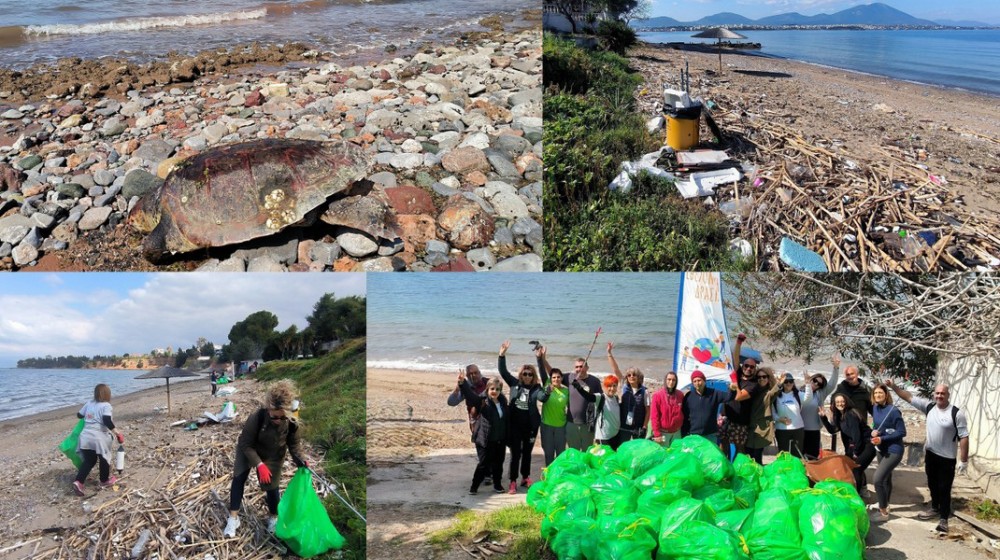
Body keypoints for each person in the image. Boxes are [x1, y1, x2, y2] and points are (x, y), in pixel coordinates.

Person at [224, 379, 309, 538]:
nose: (278, 421)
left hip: (273, 452)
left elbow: (294, 444)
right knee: (239, 478)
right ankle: (233, 518)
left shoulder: (291, 421)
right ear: (268, 408)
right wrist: (259, 464)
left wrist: (301, 459)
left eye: (281, 417)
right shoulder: (256, 417)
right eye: (274, 417)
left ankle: (273, 517)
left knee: (272, 486)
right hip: (249, 449)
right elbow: (245, 443)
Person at [886, 378, 969, 533]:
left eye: (942, 393)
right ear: (934, 394)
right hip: (931, 454)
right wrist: (893, 386)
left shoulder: (956, 413)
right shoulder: (929, 407)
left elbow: (964, 437)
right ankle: (935, 508)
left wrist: (964, 460)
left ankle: (944, 518)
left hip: (947, 458)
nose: (939, 396)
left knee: (944, 488)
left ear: (948, 395)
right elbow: (907, 396)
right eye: (937, 393)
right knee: (932, 484)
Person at [497, 341, 544, 493]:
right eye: (525, 374)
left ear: (533, 376)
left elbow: (543, 396)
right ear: (521, 375)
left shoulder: (537, 388)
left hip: (530, 426)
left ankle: (525, 477)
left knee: (527, 454)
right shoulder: (514, 383)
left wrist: (540, 360)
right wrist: (502, 355)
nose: (527, 376)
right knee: (515, 454)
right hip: (515, 426)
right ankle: (512, 481)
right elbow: (503, 372)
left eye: (530, 374)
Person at [541, 353, 602, 451]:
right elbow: (553, 374)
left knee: (586, 453)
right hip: (571, 423)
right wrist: (543, 360)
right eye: (576, 367)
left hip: (588, 424)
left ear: (587, 367)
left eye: (581, 366)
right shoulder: (570, 377)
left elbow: (600, 401)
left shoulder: (594, 381)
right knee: (574, 453)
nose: (578, 369)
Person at [73, 384, 125, 495]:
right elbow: (107, 420)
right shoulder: (106, 406)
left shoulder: (89, 403)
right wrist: (117, 433)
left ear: (95, 393)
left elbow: (79, 415)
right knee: (104, 458)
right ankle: (104, 481)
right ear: (107, 394)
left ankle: (79, 482)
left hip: (85, 437)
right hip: (99, 437)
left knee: (89, 461)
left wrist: (90, 415)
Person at [460, 375, 508, 495]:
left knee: (498, 463)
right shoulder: (482, 401)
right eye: (492, 389)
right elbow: (470, 396)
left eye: (497, 389)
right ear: (487, 389)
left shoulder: (502, 401)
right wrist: (463, 383)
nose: (495, 391)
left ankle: (497, 485)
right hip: (485, 439)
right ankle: (474, 486)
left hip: (499, 439)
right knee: (484, 464)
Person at [821, 393, 876, 497]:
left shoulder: (851, 414)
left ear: (846, 402)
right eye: (837, 402)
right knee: (854, 467)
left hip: (867, 444)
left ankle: (856, 496)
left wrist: (856, 452)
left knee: (855, 468)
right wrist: (823, 418)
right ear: (834, 404)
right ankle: (862, 490)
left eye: (842, 401)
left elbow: (857, 435)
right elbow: (833, 430)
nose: (840, 404)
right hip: (856, 445)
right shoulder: (839, 416)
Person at [447, 364, 492, 485]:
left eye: (475, 372)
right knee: (481, 448)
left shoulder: (489, 383)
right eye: (470, 374)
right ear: (467, 376)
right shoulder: (466, 387)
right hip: (476, 423)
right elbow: (451, 402)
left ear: (480, 372)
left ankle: (490, 471)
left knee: (492, 447)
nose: (473, 376)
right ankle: (486, 474)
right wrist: (458, 388)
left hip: (490, 420)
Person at [719, 333, 762, 458]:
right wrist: (738, 342)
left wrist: (734, 381)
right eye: (746, 365)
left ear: (755, 369)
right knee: (723, 447)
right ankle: (724, 471)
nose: (748, 368)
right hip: (726, 416)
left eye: (752, 367)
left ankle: (739, 472)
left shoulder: (753, 385)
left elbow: (738, 396)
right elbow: (735, 357)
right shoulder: (738, 373)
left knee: (739, 449)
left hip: (740, 422)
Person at [869, 382, 906, 524]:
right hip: (881, 449)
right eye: (876, 393)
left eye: (881, 393)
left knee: (877, 479)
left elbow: (902, 432)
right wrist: (874, 431)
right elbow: (877, 425)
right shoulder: (875, 408)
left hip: (894, 450)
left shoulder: (894, 411)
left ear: (886, 395)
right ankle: (886, 504)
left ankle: (883, 511)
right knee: (886, 479)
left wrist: (882, 438)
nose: (878, 395)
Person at [607, 342, 650, 444]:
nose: (631, 376)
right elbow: (615, 369)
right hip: (624, 425)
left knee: (637, 449)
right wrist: (609, 353)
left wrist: (644, 427)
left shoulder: (645, 391)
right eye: (629, 375)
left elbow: (648, 411)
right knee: (622, 447)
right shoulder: (624, 386)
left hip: (638, 426)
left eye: (634, 374)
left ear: (638, 377)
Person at [801, 356, 840, 459]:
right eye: (814, 380)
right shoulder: (800, 392)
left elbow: (832, 384)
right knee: (799, 457)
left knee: (812, 458)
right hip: (799, 430)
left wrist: (836, 368)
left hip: (813, 431)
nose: (815, 384)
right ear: (811, 379)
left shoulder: (820, 394)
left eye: (819, 384)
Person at [681, 370, 735, 444]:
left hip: (710, 434)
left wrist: (732, 389)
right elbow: (685, 415)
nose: (697, 383)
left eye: (699, 380)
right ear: (692, 383)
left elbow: (729, 397)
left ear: (704, 381)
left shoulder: (714, 393)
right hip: (694, 435)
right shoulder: (688, 396)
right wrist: (684, 433)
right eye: (695, 381)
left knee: (709, 456)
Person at [536, 347, 568, 466]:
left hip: (561, 426)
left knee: (560, 454)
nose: (556, 379)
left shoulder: (566, 391)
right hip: (547, 426)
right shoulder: (547, 386)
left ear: (562, 378)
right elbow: (541, 370)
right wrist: (540, 358)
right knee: (549, 453)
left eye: (558, 377)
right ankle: (549, 476)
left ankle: (558, 476)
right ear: (550, 379)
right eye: (553, 377)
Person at [573, 374, 621, 449]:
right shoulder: (600, 397)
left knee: (613, 459)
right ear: (604, 387)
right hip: (603, 437)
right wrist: (579, 388)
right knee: (603, 459)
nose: (612, 388)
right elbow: (589, 397)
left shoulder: (616, 398)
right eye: (609, 386)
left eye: (614, 386)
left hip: (615, 435)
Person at [746, 367, 782, 465]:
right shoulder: (751, 389)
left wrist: (778, 384)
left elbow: (772, 393)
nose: (761, 379)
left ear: (768, 378)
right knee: (748, 456)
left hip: (762, 429)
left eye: (764, 376)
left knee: (757, 457)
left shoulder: (768, 392)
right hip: (749, 427)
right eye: (759, 377)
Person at [772, 372, 806, 458]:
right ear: (783, 383)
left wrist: (808, 384)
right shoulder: (776, 396)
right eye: (786, 381)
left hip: (797, 428)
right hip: (781, 429)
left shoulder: (798, 394)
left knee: (797, 455)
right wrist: (779, 419)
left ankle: (796, 471)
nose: (788, 383)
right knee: (783, 455)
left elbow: (808, 398)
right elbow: (772, 413)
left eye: (791, 381)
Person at [649, 371, 684, 447]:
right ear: (665, 380)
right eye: (669, 379)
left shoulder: (680, 395)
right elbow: (654, 417)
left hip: (677, 432)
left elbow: (683, 412)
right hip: (663, 433)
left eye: (673, 380)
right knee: (664, 455)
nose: (671, 382)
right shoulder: (657, 396)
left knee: (675, 455)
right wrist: (657, 434)